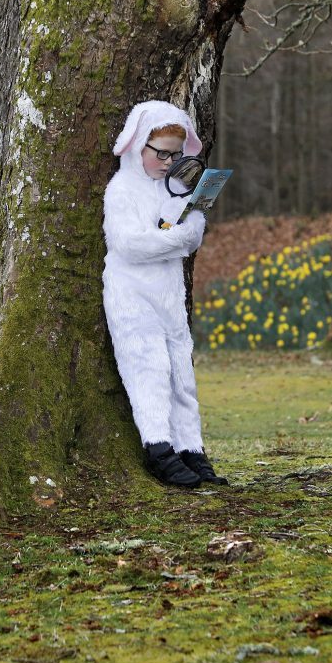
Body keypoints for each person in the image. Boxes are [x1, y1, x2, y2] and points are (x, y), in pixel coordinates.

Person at [102, 99, 227, 488]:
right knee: (149, 368)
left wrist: (177, 234)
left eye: (175, 155)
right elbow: (128, 245)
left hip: (169, 297)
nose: (168, 162)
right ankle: (159, 447)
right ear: (138, 145)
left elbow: (193, 234)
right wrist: (174, 238)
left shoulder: (173, 192)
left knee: (180, 372)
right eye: (161, 153)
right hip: (132, 297)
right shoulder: (121, 190)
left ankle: (192, 448)